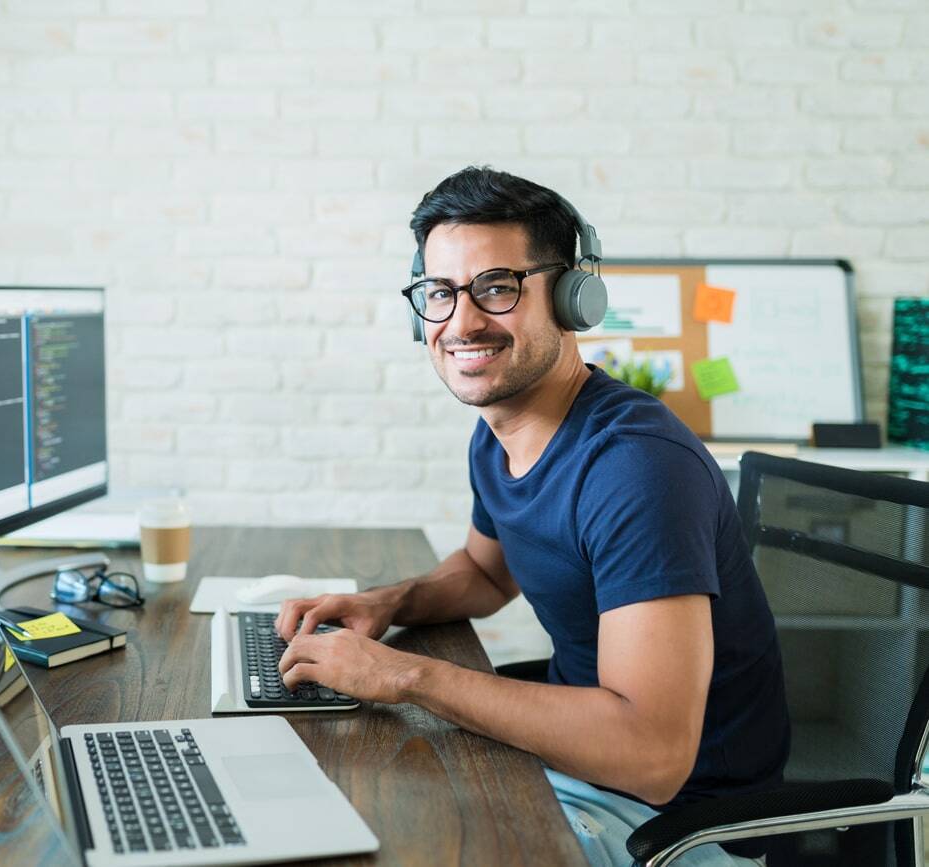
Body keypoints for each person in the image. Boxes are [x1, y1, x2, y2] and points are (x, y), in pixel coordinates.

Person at [275, 167, 788, 866]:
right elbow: (487, 574)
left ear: (574, 297)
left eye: (496, 286)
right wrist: (388, 602)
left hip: (676, 827)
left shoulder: (637, 469)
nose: (461, 322)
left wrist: (403, 675)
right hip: (578, 773)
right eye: (439, 293)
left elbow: (654, 755)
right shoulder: (498, 434)